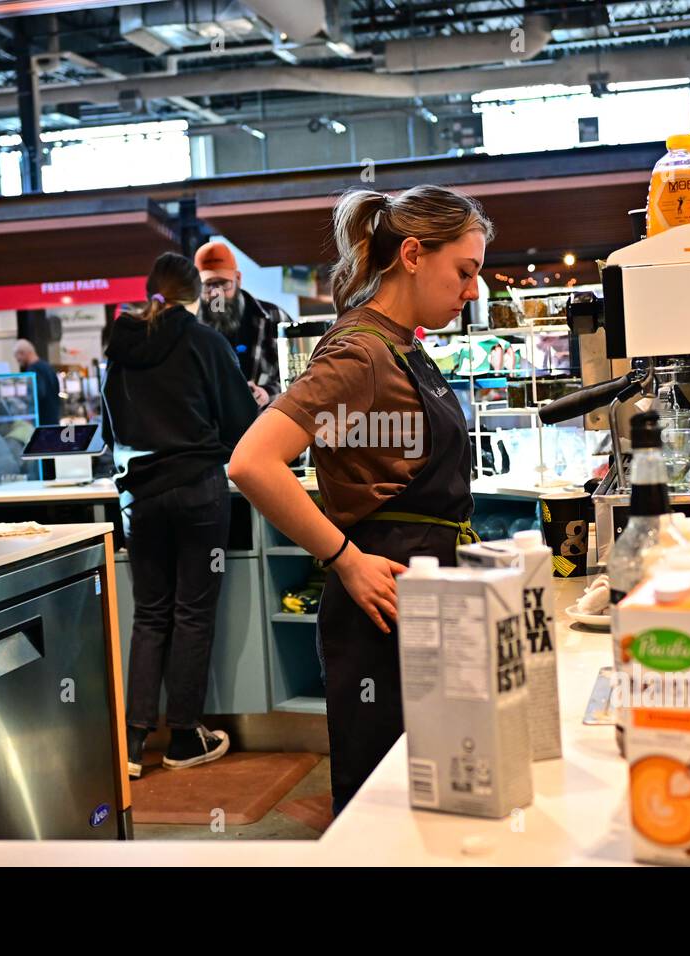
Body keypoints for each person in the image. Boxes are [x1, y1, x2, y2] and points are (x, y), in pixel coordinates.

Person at [230, 185, 492, 813]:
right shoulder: (360, 351)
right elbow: (251, 463)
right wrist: (345, 558)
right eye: (465, 271)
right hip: (383, 602)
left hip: (421, 598)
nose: (474, 290)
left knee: (431, 795)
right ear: (411, 254)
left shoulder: (402, 342)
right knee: (386, 800)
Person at [102, 252, 257, 776]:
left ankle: (131, 743)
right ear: (193, 295)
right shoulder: (205, 342)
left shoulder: (120, 350)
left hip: (138, 498)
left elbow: (111, 430)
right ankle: (185, 737)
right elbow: (242, 426)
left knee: (150, 615)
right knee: (191, 613)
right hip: (196, 492)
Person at [194, 240, 292, 409]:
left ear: (238, 279)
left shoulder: (274, 318)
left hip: (265, 425)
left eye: (223, 283)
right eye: (209, 285)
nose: (216, 293)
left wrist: (267, 393)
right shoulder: (192, 330)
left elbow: (302, 376)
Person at [14, 338, 62, 426]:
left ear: (23, 353)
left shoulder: (33, 370)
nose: (18, 361)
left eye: (18, 358)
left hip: (42, 422)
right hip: (53, 419)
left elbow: (37, 394)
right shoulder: (48, 367)